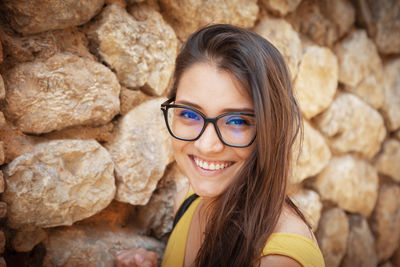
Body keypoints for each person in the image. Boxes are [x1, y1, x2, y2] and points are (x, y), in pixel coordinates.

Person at [115, 24, 325, 267]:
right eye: (190, 114)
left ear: (271, 130)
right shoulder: (187, 202)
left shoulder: (278, 260)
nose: (206, 145)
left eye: (236, 121)